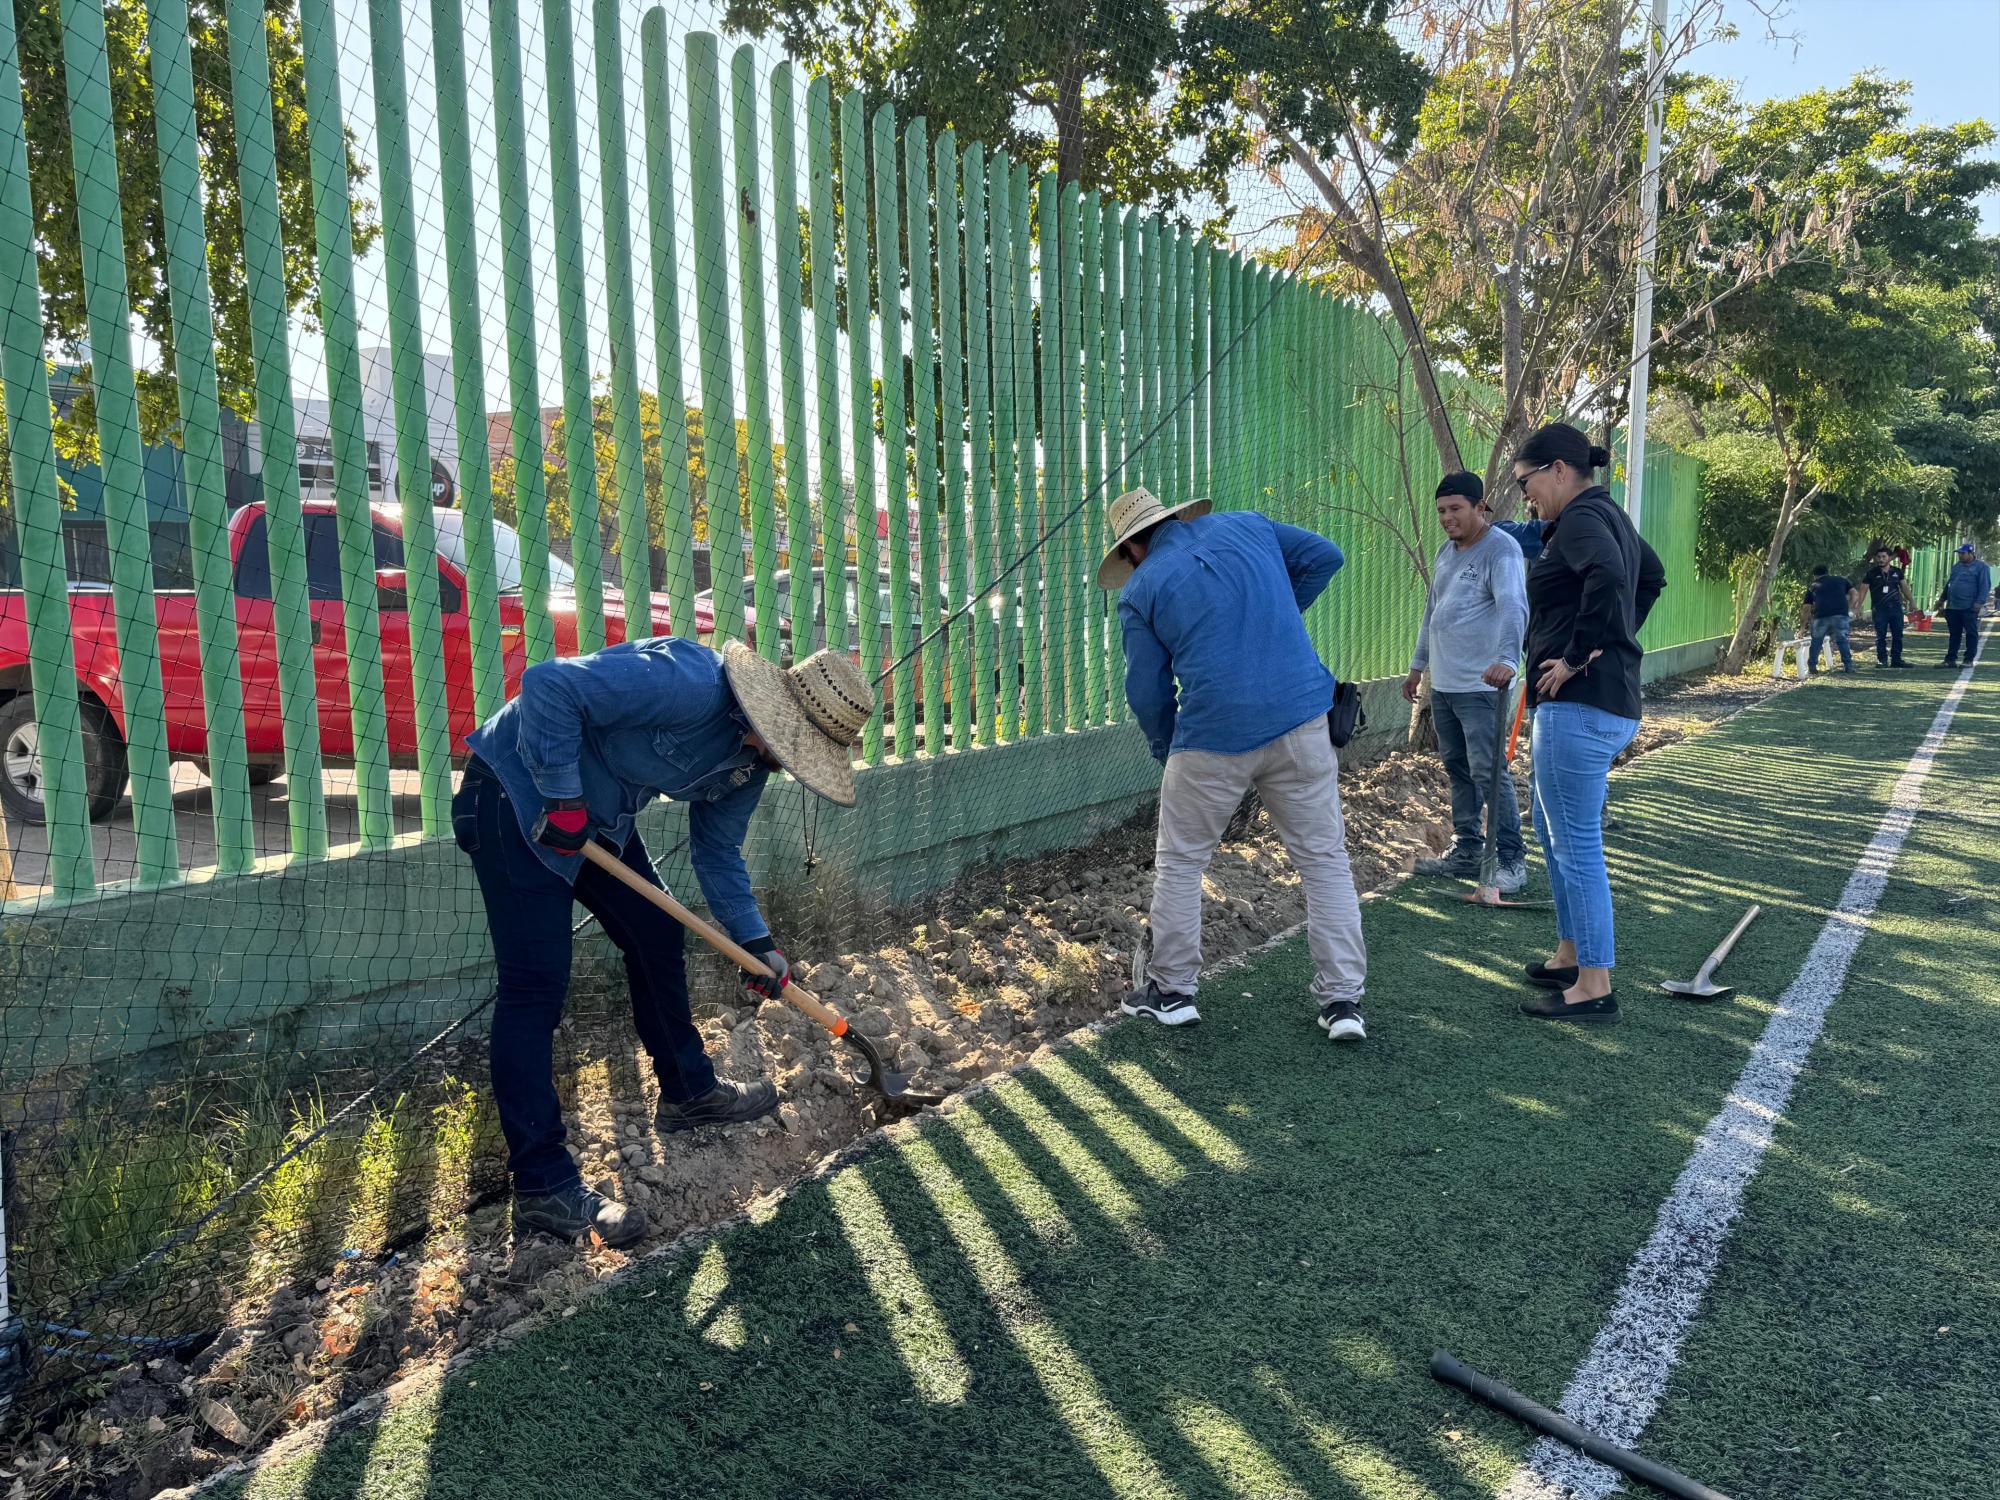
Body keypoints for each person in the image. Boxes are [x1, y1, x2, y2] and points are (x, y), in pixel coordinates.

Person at [454, 636, 876, 1245]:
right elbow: (548, 686)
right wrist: (562, 796)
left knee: (655, 930)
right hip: (518, 797)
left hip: (594, 820)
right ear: (775, 715)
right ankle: (543, 1184)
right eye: (794, 747)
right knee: (535, 989)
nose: (788, 762)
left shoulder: (750, 763)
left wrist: (756, 942)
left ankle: (687, 1090)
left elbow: (718, 850)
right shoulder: (686, 681)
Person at [1103, 486, 1369, 1043]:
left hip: (1212, 734)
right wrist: (1272, 617)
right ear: (1174, 514)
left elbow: (1147, 694)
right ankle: (1343, 1002)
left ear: (1131, 550)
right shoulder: (1248, 525)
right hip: (1302, 718)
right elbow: (1327, 557)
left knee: (1181, 862)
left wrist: (1165, 747)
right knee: (1323, 859)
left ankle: (1173, 992)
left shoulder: (1140, 590)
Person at [1510, 424, 1666, 1025]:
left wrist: (1581, 652)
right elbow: (1647, 577)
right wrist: (1614, 636)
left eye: (1526, 482)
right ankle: (1571, 954)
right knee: (1555, 835)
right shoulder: (1607, 516)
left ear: (1556, 470)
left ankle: (1594, 985)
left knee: (1575, 842)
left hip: (1581, 705)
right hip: (1601, 703)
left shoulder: (1580, 519)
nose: (1525, 495)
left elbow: (1610, 578)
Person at [1403, 472, 1530, 890]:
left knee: (1489, 771)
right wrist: (1418, 666)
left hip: (1482, 686)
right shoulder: (1445, 552)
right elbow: (1431, 612)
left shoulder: (1501, 550)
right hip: (1445, 686)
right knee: (1457, 767)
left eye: (1455, 508)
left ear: (1481, 507)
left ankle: (1511, 860)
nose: (1446, 517)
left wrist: (1508, 659)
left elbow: (1514, 607)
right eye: (1441, 510)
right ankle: (1469, 849)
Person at [1935, 542, 1991, 667]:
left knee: (1971, 633)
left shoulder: (1981, 567)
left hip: (1969, 607)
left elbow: (1985, 586)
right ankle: (1950, 659)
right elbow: (1949, 584)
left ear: (1971, 553)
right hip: (1953, 606)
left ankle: (1968, 660)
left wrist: (1979, 603)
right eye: (1959, 553)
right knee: (1954, 634)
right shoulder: (1956, 566)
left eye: (1963, 553)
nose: (1960, 556)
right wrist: (1942, 599)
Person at [1861, 548, 1912, 668]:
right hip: (1879, 610)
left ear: (1889, 558)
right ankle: (1882, 660)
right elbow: (1863, 591)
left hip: (1895, 608)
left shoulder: (1897, 572)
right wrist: (1858, 606)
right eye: (1878, 557)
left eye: (1884, 557)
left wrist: (1912, 602)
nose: (1881, 559)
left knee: (1898, 635)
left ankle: (1896, 660)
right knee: (1880, 636)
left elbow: (1904, 588)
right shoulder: (1871, 573)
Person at [1804, 563, 1856, 674]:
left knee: (1816, 642)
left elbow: (1806, 607)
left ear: (1815, 576)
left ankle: (1812, 667)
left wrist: (1803, 626)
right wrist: (1850, 608)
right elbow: (1854, 593)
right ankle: (1848, 665)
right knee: (1842, 640)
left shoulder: (1813, 585)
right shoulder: (1841, 580)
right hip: (1840, 615)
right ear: (1827, 572)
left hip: (1820, 617)